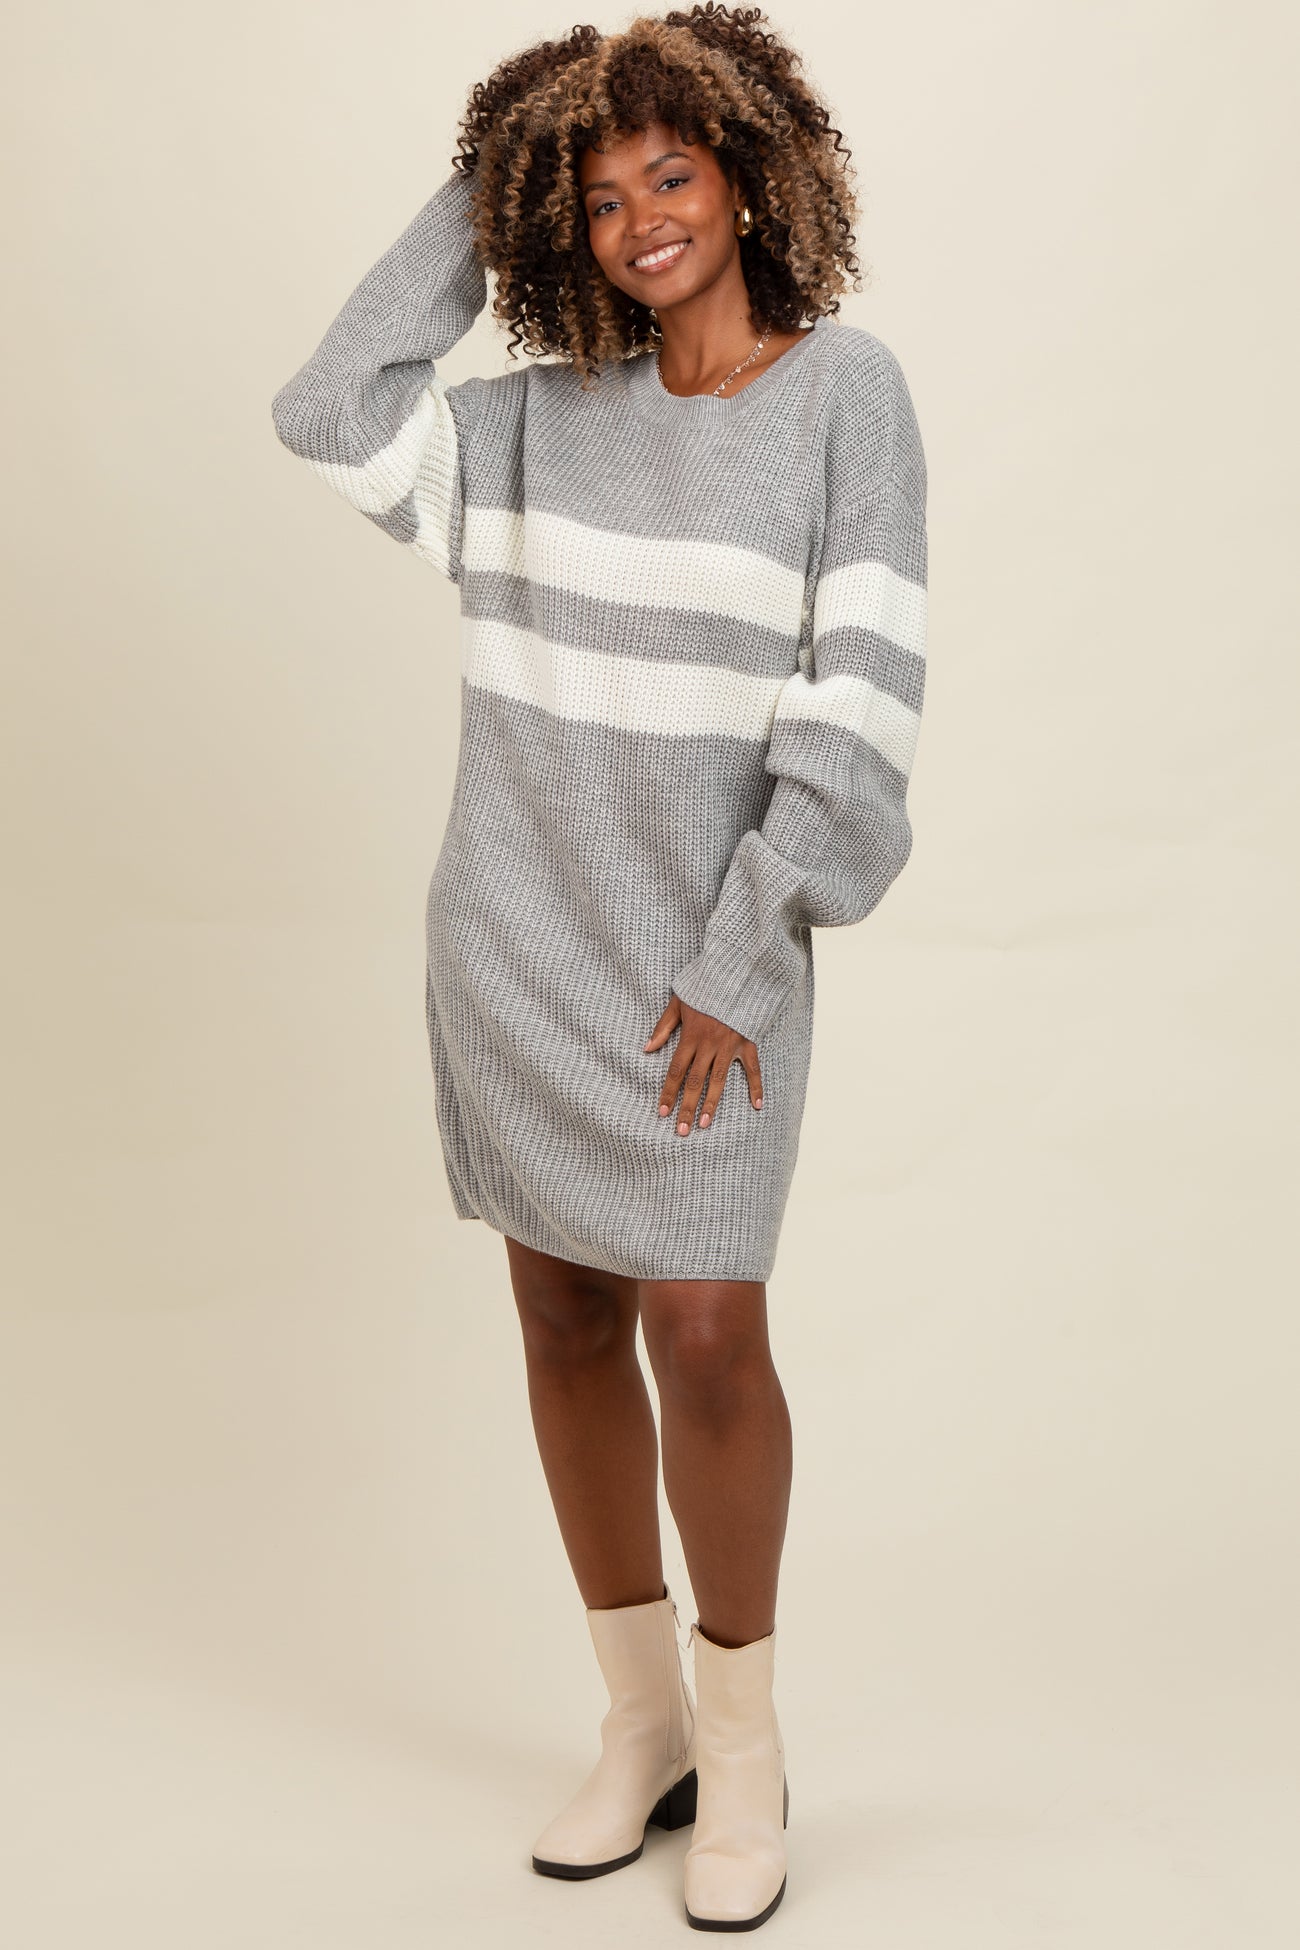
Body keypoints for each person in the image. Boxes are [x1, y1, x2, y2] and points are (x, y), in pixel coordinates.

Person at [271, 5, 928, 1931]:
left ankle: (743, 1744)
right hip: (515, 944)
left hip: (704, 970)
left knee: (704, 1332)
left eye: (672, 170)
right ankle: (640, 1723)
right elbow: (328, 403)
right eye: (600, 190)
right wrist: (493, 177)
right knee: (564, 1316)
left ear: (749, 172)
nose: (644, 217)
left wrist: (742, 953)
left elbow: (860, 705)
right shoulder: (532, 426)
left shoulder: (847, 396)